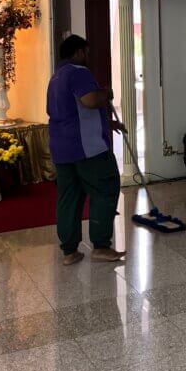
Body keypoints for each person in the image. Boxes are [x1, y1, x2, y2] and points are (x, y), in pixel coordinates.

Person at [47, 35, 126, 265]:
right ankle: (101, 246)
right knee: (105, 189)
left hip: (62, 149)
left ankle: (70, 251)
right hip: (87, 149)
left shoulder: (55, 77)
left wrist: (108, 123)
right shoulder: (79, 72)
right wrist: (106, 93)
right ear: (79, 52)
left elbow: (72, 114)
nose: (88, 57)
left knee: (69, 198)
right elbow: (90, 101)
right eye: (86, 52)